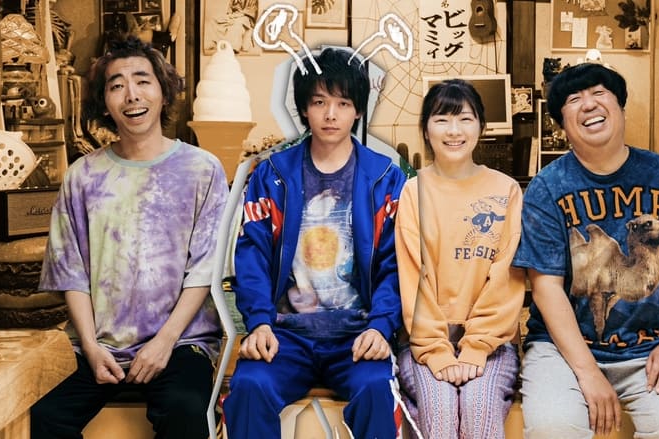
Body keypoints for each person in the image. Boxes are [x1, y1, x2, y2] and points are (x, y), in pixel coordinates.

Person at [32, 37, 228, 439]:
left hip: (181, 341)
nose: (131, 95)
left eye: (142, 80)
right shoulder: (83, 176)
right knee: (42, 416)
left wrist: (164, 342)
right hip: (97, 343)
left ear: (164, 92)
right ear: (105, 103)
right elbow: (71, 272)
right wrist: (90, 346)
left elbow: (206, 267)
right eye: (117, 85)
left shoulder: (202, 170)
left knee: (186, 410)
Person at [513, 62, 659, 438]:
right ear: (561, 125)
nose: (589, 104)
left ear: (620, 107)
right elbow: (545, 287)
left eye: (599, 93)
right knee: (552, 428)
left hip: (651, 347)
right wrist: (588, 371)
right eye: (574, 100)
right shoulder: (546, 187)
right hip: (561, 351)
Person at [222, 47, 408, 438]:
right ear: (304, 109)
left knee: (377, 389)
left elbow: (396, 264)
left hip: (357, 336)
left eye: (343, 103)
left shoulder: (385, 178)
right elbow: (252, 255)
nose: (330, 114)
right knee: (249, 386)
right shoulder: (272, 175)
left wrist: (381, 326)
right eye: (320, 102)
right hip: (284, 335)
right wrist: (259, 323)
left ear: (358, 111)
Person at [395, 79, 526, 438]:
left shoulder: (505, 190)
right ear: (426, 129)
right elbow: (413, 278)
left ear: (481, 126)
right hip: (424, 344)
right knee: (438, 414)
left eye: (465, 119)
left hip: (492, 345)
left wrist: (476, 347)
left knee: (479, 410)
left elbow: (507, 279)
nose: (454, 131)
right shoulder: (413, 192)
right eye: (442, 120)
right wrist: (437, 352)